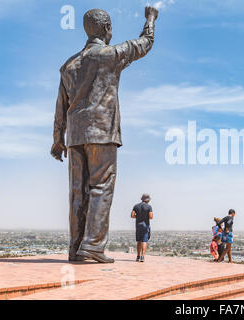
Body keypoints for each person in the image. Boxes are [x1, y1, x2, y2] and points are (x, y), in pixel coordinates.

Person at [50, 7, 159, 263]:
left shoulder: (68, 65)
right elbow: (145, 43)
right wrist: (150, 18)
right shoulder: (111, 54)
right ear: (107, 28)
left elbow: (60, 107)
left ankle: (76, 248)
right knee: (101, 187)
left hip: (75, 136)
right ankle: (93, 246)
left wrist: (57, 139)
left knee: (78, 193)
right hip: (102, 133)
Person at [131, 194, 154, 262]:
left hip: (138, 225)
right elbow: (151, 217)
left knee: (139, 241)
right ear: (147, 200)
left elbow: (132, 215)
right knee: (144, 241)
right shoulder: (149, 207)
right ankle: (142, 257)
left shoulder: (136, 206)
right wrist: (145, 217)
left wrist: (138, 216)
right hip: (145, 225)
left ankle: (138, 256)